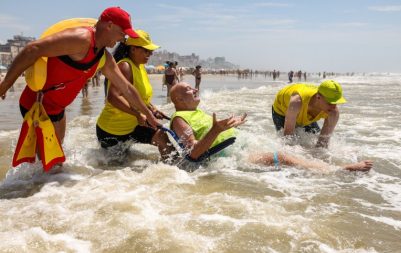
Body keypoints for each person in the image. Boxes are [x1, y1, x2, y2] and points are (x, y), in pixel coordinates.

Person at [0, 7, 160, 169]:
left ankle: (35, 186)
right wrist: (6, 84)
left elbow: (126, 88)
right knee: (50, 165)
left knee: (53, 162)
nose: (122, 38)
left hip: (58, 110)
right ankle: (26, 189)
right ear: (109, 26)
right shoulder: (81, 39)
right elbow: (33, 49)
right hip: (37, 106)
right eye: (122, 32)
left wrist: (149, 115)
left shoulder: (104, 57)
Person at [170, 82, 372, 172]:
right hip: (229, 155)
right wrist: (217, 130)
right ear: (178, 99)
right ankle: (337, 170)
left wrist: (233, 127)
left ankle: (321, 166)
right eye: (188, 89)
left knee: (291, 150)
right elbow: (193, 153)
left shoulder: (198, 113)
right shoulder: (179, 118)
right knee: (282, 157)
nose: (195, 88)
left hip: (239, 144)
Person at [96, 29, 174, 161]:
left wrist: (152, 109)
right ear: (133, 49)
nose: (150, 54)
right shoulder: (125, 66)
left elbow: (138, 96)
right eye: (146, 50)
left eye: (151, 51)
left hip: (133, 126)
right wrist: (138, 114)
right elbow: (114, 97)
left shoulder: (141, 66)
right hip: (112, 130)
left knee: (163, 139)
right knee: (115, 171)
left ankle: (174, 172)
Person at [272, 80, 346, 148]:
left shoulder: (333, 113)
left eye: (336, 102)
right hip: (282, 110)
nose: (334, 107)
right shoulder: (296, 103)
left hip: (305, 108)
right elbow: (288, 137)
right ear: (318, 97)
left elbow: (322, 143)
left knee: (313, 139)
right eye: (330, 102)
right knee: (289, 141)